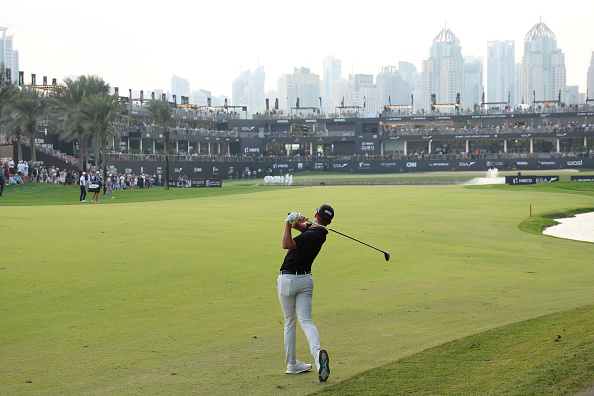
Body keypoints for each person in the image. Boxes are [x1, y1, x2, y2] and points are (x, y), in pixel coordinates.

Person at [277, 205, 333, 382]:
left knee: (290, 322)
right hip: (305, 281)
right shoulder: (320, 233)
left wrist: (287, 223)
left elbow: (287, 244)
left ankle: (292, 364)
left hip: (287, 280)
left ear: (316, 215)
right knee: (306, 321)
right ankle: (318, 357)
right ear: (329, 222)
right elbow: (299, 227)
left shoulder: (311, 234)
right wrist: (296, 220)